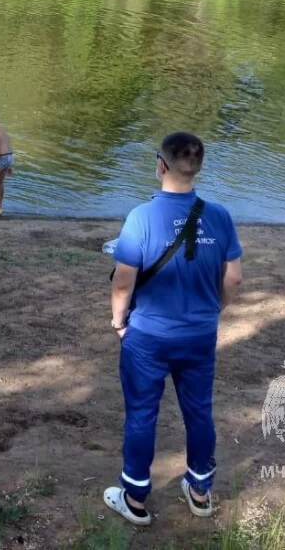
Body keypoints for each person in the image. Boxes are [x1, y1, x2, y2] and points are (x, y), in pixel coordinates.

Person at [103, 132, 244, 527]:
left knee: (142, 414)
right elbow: (233, 277)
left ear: (160, 165)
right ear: (197, 168)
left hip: (148, 336)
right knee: (199, 411)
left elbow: (122, 281)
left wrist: (118, 321)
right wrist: (214, 310)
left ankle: (135, 498)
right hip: (199, 335)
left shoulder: (141, 217)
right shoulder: (219, 215)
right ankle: (199, 490)